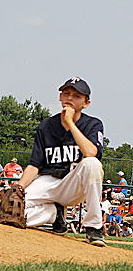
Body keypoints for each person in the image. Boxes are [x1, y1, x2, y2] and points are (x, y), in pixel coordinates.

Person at [16, 77, 106, 246]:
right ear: (60, 97)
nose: (70, 98)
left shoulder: (93, 124)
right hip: (47, 182)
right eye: (66, 93)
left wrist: (70, 122)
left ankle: (94, 227)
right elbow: (34, 165)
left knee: (92, 163)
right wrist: (18, 188)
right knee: (11, 211)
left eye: (76, 96)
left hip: (74, 183)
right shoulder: (46, 126)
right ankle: (53, 213)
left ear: (86, 103)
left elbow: (91, 152)